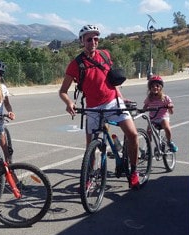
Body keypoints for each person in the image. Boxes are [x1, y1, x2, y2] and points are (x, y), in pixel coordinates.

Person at [58, 24, 142, 188]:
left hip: (113, 102)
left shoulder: (105, 55)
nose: (93, 42)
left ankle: (134, 172)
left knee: (132, 135)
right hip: (93, 109)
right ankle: (89, 176)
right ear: (82, 41)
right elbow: (62, 91)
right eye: (89, 39)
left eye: (96, 38)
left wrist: (121, 98)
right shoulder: (75, 64)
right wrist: (69, 103)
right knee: (91, 146)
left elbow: (112, 81)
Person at [142, 75, 176, 152]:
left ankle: (170, 142)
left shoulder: (165, 98)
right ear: (150, 88)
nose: (155, 88)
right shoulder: (149, 98)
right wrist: (142, 110)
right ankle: (149, 148)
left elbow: (171, 112)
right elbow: (145, 106)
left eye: (157, 86)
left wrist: (170, 107)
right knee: (149, 132)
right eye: (153, 86)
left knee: (167, 127)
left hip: (163, 117)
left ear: (161, 87)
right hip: (153, 119)